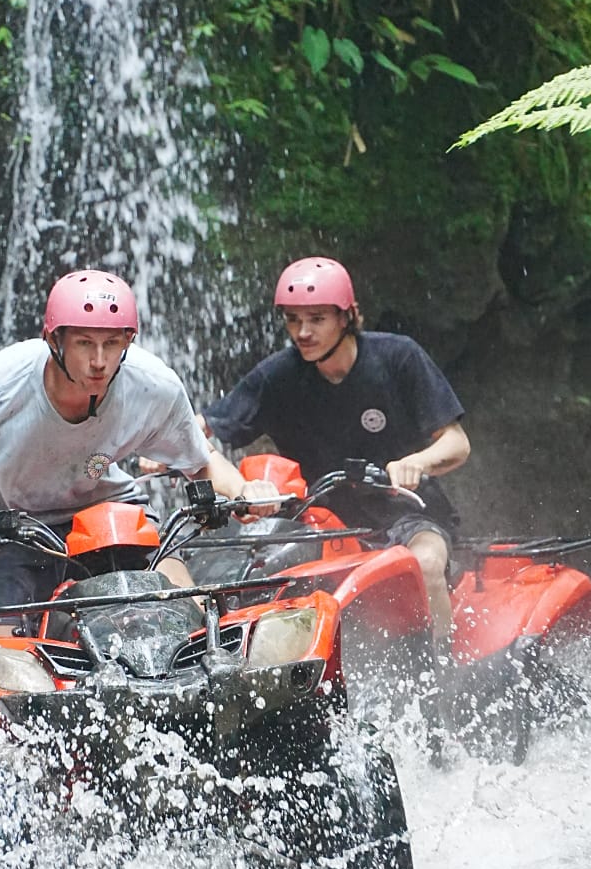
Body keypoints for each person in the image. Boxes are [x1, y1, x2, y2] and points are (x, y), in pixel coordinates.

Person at [0, 269, 277, 609]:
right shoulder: (1, 385)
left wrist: (244, 491)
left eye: (111, 344)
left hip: (109, 513)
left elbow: (200, 460)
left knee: (185, 606)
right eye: (84, 344)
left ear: (128, 341)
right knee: (1, 652)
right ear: (53, 340)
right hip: (11, 527)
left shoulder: (152, 385)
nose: (99, 361)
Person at [200, 256, 470, 645]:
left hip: (407, 513)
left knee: (425, 562)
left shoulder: (398, 358)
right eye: (293, 320)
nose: (303, 332)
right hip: (318, 526)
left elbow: (457, 443)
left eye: (317, 319)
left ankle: (445, 675)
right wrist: (169, 437)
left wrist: (415, 462)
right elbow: (207, 425)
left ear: (347, 316)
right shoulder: (279, 376)